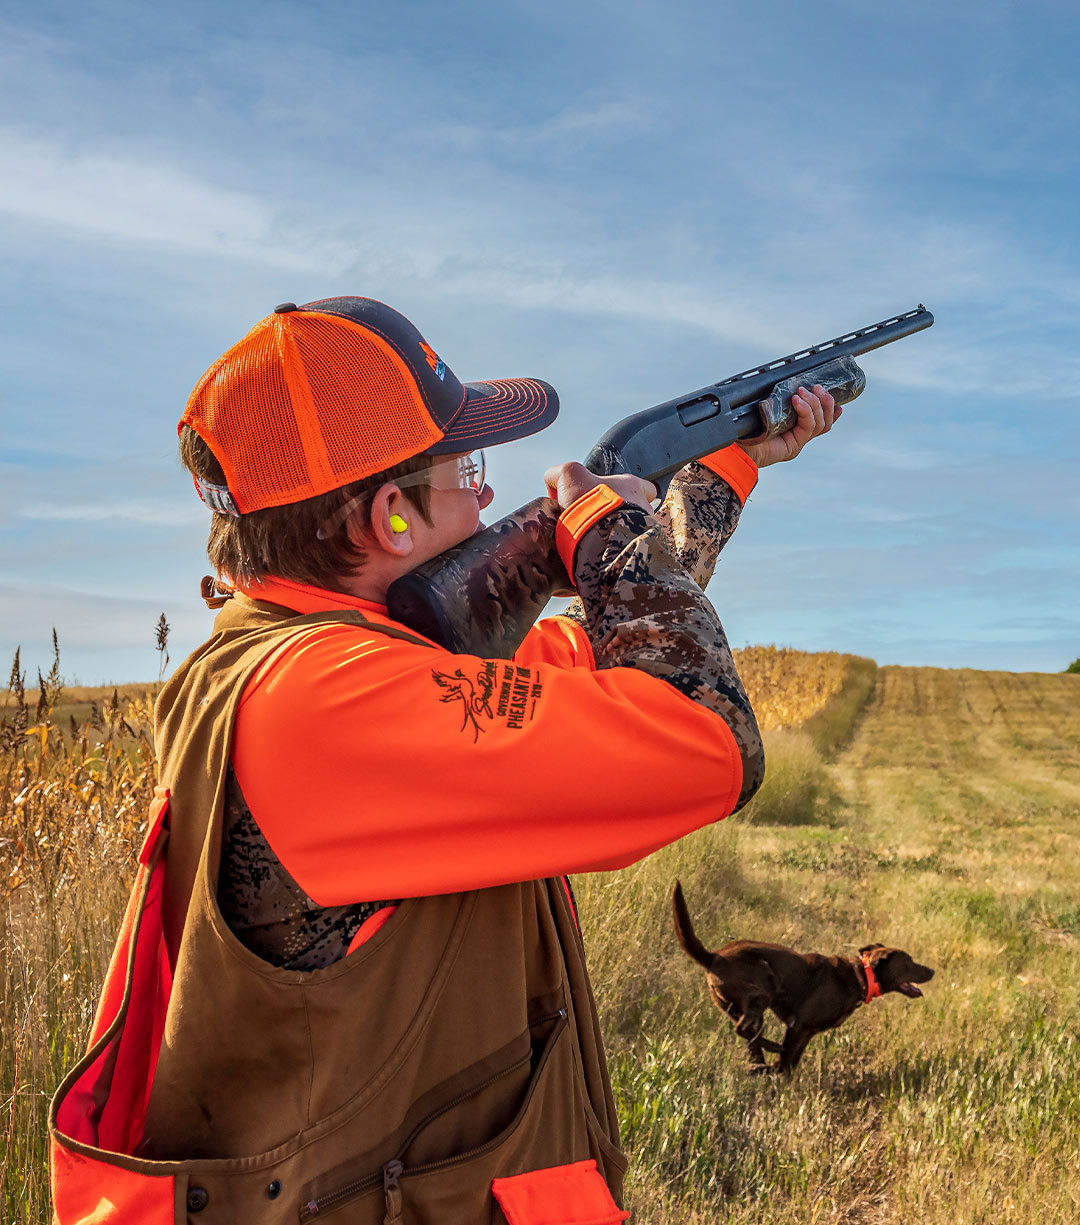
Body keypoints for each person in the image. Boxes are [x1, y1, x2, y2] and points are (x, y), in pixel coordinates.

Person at [50, 296, 839, 1224]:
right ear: (388, 518)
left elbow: (612, 649)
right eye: (466, 468)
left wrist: (728, 462)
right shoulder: (324, 704)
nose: (486, 496)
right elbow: (702, 741)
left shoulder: (318, 662)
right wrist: (604, 533)